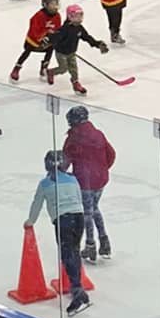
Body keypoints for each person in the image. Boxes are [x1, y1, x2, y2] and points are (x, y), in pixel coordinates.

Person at [25, 150, 90, 318]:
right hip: (78, 217)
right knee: (74, 250)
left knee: (67, 254)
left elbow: (36, 204)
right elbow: (79, 198)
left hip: (64, 220)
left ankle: (77, 290)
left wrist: (30, 222)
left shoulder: (45, 184)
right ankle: (77, 285)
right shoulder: (73, 179)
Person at [62, 105, 117, 261]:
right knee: (94, 208)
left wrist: (61, 174)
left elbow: (65, 161)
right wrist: (102, 169)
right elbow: (111, 154)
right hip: (100, 180)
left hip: (84, 181)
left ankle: (90, 245)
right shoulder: (99, 134)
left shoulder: (73, 138)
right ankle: (104, 241)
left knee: (87, 212)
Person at [45, 4, 108, 95]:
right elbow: (56, 37)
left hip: (72, 52)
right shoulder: (65, 29)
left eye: (80, 16)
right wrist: (49, 40)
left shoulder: (79, 28)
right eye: (75, 17)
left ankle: (76, 83)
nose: (78, 19)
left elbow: (87, 37)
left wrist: (97, 44)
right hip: (61, 52)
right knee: (63, 68)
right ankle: (51, 72)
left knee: (74, 69)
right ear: (69, 16)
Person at [11, 0, 61, 82]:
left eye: (55, 3)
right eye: (52, 4)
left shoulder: (57, 16)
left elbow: (57, 29)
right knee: (27, 51)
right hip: (33, 40)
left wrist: (55, 37)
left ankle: (44, 68)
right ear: (45, 5)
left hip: (46, 40)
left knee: (51, 48)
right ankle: (17, 68)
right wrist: (43, 36)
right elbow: (34, 30)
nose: (55, 6)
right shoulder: (39, 16)